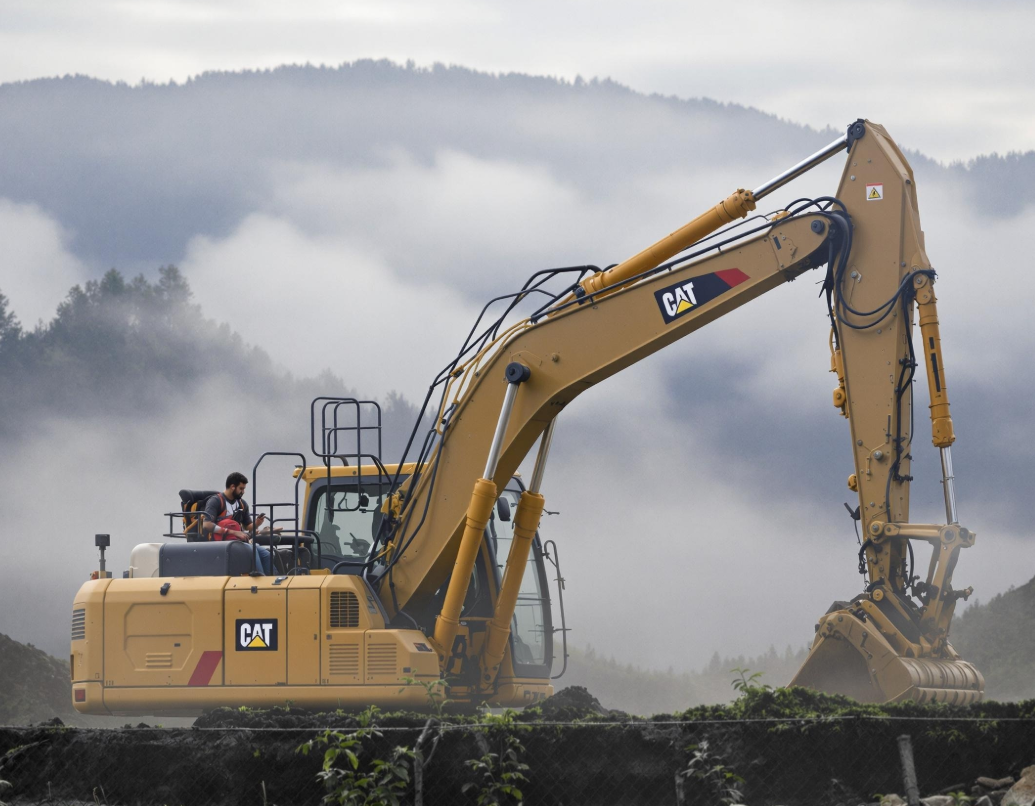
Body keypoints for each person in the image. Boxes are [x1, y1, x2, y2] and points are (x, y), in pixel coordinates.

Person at [202, 472, 272, 575]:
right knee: (253, 552)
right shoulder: (216, 501)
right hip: (222, 543)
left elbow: (247, 526)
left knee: (266, 554)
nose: (243, 492)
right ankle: (261, 580)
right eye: (241, 488)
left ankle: (273, 580)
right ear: (232, 487)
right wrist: (234, 532)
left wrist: (257, 523)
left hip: (239, 541)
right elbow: (206, 525)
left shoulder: (242, 504)